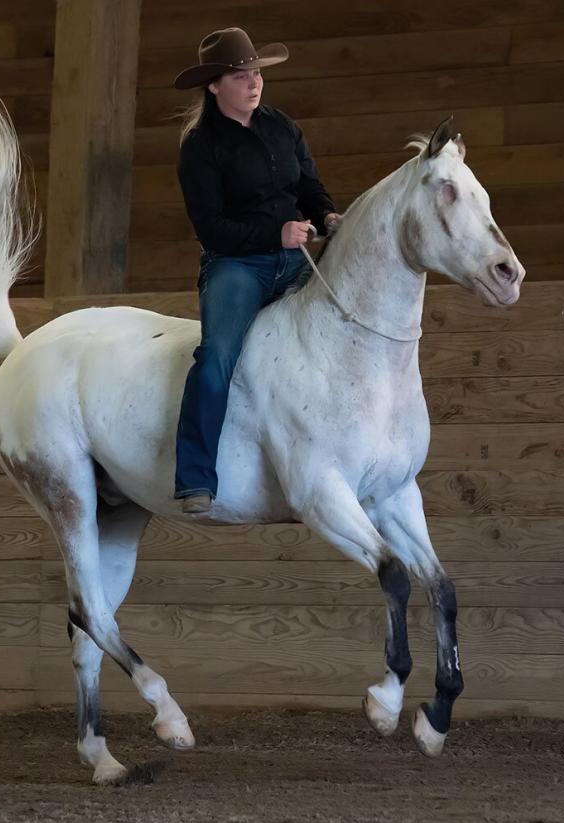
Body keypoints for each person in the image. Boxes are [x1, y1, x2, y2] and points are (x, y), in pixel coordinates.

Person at [171, 27, 342, 514]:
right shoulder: (200, 147)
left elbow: (309, 186)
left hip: (294, 259)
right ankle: (195, 477)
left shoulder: (283, 127)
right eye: (240, 75)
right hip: (236, 265)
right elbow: (212, 229)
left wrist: (327, 215)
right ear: (214, 86)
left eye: (256, 73)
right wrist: (275, 236)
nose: (253, 82)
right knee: (217, 356)